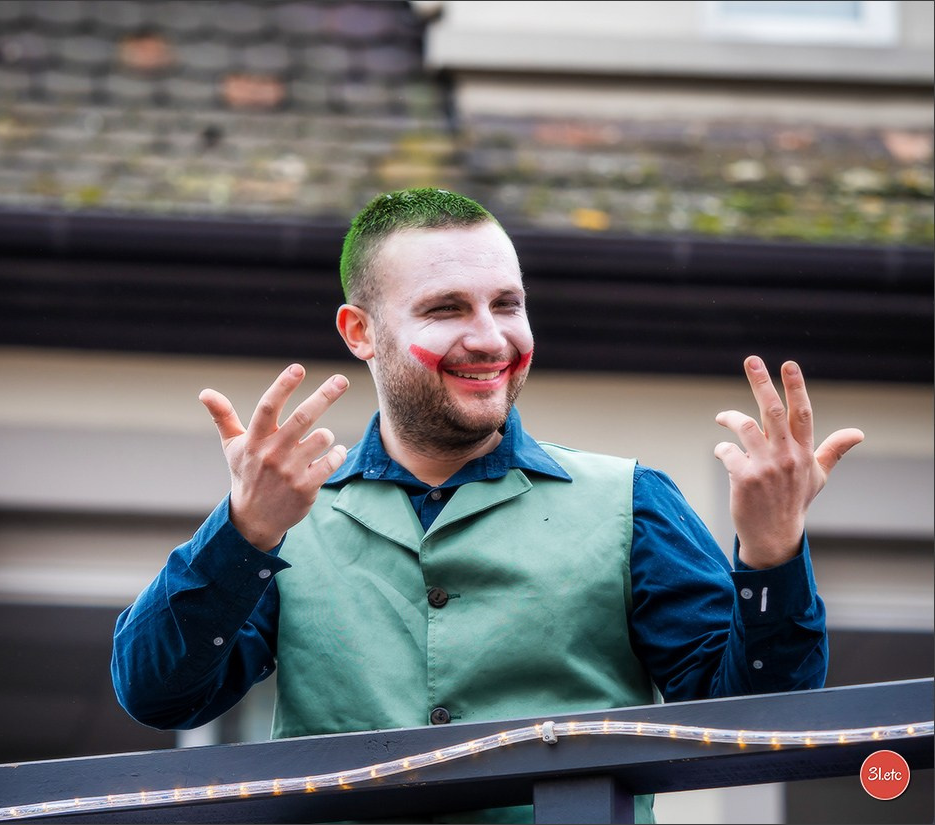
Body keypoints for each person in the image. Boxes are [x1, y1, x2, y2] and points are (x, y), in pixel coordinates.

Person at [111, 187, 864, 823]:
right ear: (360, 332)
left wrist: (772, 552)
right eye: (446, 308)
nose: (490, 337)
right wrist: (242, 530)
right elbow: (158, 693)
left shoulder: (632, 502)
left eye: (507, 303)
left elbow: (757, 722)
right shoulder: (285, 516)